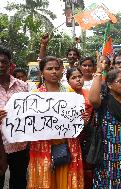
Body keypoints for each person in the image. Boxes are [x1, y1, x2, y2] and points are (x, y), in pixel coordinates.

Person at [27, 56, 84, 189]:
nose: (54, 72)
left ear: (62, 71)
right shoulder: (34, 95)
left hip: (67, 145)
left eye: (57, 68)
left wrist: (82, 118)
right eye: (49, 69)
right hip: (43, 146)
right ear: (42, 72)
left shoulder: (70, 92)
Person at [88, 63, 121, 188]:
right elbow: (93, 100)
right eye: (120, 81)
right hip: (107, 156)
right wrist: (99, 72)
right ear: (110, 85)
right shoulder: (104, 101)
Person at [0, 46, 29, 189]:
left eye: (3, 61)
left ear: (10, 64)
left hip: (19, 145)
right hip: (0, 144)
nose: (0, 65)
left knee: (19, 182)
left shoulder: (23, 86)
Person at [66, 67, 94, 188]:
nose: (78, 80)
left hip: (88, 135)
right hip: (71, 138)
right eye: (73, 78)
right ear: (68, 81)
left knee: (87, 165)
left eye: (79, 77)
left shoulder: (89, 93)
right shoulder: (64, 95)